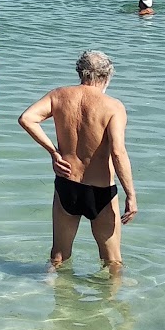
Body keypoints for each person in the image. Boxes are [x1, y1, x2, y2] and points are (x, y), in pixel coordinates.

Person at [18, 51, 136, 270]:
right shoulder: (113, 106)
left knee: (58, 257)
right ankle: (112, 302)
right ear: (107, 76)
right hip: (101, 191)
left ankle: (53, 296)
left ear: (80, 71)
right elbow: (118, 152)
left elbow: (27, 119)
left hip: (67, 185)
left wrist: (53, 152)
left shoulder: (59, 96)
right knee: (113, 262)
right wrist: (131, 194)